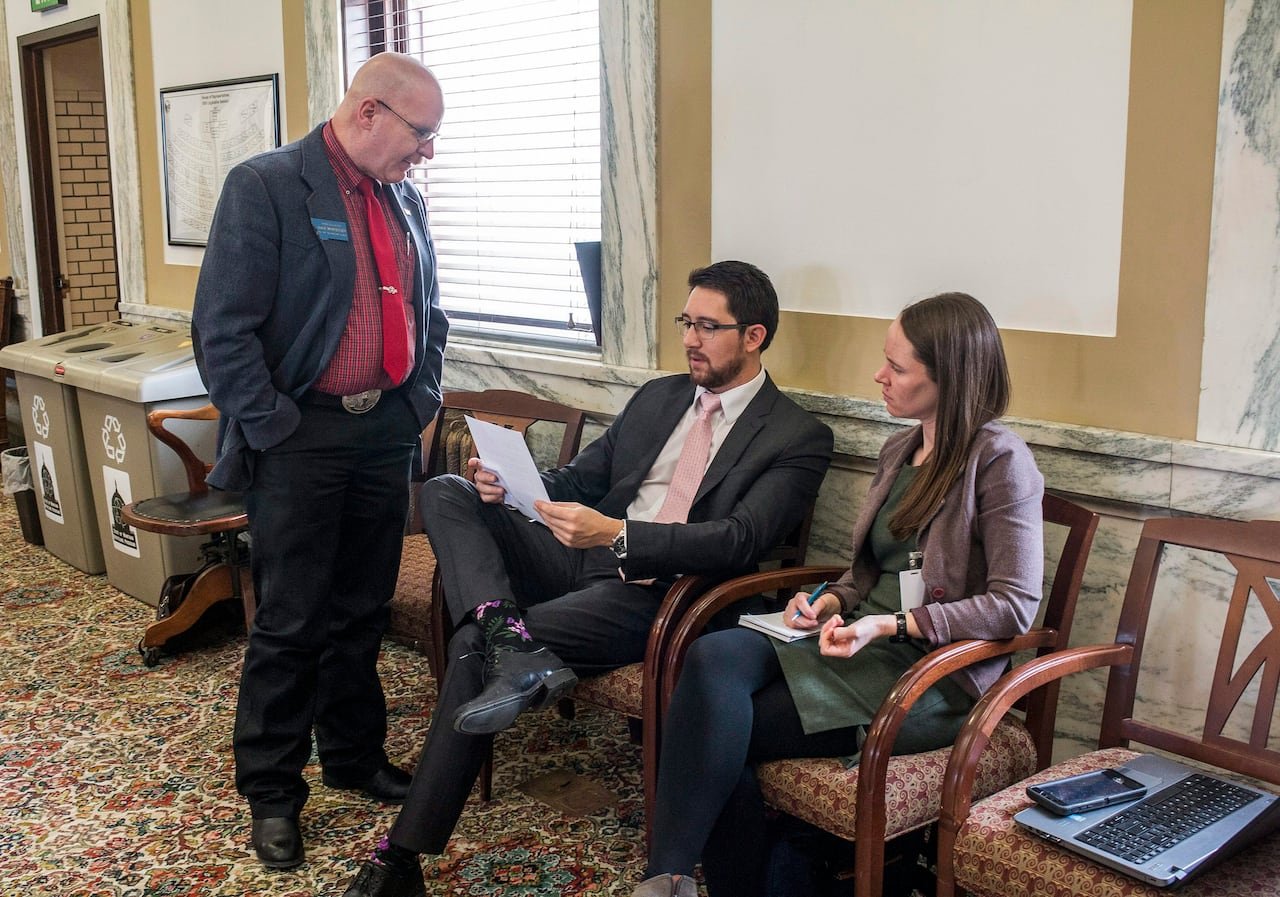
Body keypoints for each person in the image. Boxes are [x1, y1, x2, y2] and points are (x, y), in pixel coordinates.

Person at [338, 260, 834, 897]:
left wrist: (619, 537)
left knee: (471, 651)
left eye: (709, 327)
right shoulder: (659, 397)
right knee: (449, 491)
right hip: (579, 552)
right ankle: (505, 632)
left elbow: (740, 539)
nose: (690, 339)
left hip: (664, 593)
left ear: (755, 335)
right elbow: (579, 482)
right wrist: (512, 482)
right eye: (687, 322)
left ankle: (399, 858)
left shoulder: (796, 435)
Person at [633, 292, 1045, 897]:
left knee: (714, 727)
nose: (879, 375)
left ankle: (683, 881)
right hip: (851, 641)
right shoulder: (901, 449)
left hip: (926, 672)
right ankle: (674, 879)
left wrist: (894, 625)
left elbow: (1013, 605)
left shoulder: (999, 460)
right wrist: (829, 600)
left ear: (950, 379)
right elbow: (869, 573)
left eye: (897, 367)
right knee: (712, 657)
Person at [191, 52, 450, 870]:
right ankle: (272, 789)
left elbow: (430, 311)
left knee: (362, 608)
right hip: (300, 434)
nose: (428, 153)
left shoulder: (403, 197)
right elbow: (221, 331)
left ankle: (352, 754)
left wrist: (417, 401)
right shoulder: (266, 186)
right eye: (422, 133)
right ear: (370, 111)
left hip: (382, 434)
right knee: (292, 618)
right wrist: (273, 425)